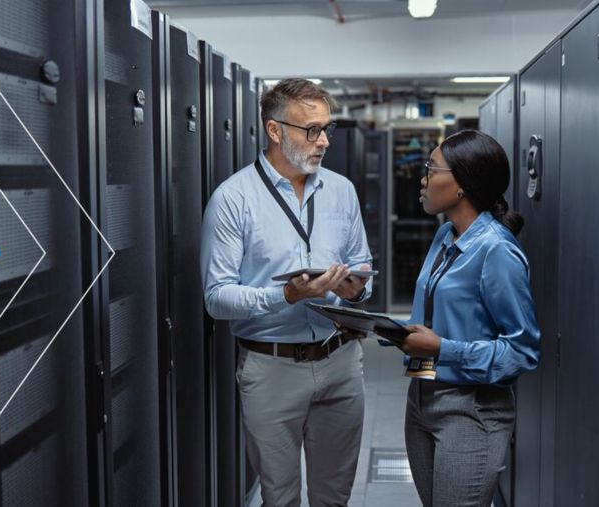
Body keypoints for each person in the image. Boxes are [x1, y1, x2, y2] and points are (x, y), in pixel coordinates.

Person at [200, 78, 373, 506]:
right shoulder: (233, 199)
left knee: (334, 496)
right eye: (310, 130)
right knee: (280, 497)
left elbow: (363, 268)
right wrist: (285, 296)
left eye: (326, 128)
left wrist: (355, 292)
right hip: (271, 368)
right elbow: (216, 297)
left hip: (341, 362)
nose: (324, 141)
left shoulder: (342, 191)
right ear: (275, 130)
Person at [379, 130, 540, 506]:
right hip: (421, 397)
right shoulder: (445, 236)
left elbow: (523, 351)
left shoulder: (496, 250)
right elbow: (439, 316)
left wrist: (442, 349)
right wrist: (400, 334)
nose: (422, 179)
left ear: (462, 184)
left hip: (470, 410)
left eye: (430, 169)